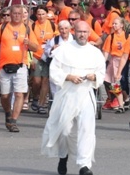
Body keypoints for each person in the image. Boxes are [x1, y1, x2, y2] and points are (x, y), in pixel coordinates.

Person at [41, 20, 105, 175]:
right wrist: (68, 77)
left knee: (86, 129)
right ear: (73, 32)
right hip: (67, 94)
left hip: (86, 93)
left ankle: (84, 165)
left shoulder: (95, 52)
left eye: (85, 32)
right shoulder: (64, 50)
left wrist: (93, 76)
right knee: (65, 130)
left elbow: (101, 74)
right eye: (79, 31)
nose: (82, 34)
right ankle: (63, 156)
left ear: (89, 33)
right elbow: (54, 72)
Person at [0, 4, 39, 133]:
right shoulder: (3, 27)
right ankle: (7, 112)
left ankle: (13, 120)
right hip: (4, 65)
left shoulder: (27, 28)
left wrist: (29, 43)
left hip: (21, 65)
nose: (17, 16)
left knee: (19, 93)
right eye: (15, 13)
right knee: (5, 95)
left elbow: (36, 48)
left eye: (19, 14)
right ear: (10, 14)